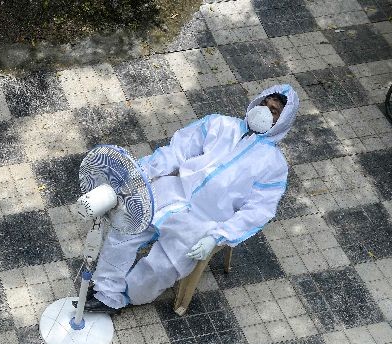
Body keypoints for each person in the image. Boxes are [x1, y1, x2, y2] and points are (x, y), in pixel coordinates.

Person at [83, 84, 299, 313]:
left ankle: (124, 297)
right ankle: (105, 288)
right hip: (173, 190)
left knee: (165, 264)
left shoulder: (273, 165)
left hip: (205, 220)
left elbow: (258, 211)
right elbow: (177, 151)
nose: (265, 111)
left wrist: (218, 236)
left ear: (282, 121)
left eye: (274, 111)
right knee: (126, 226)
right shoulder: (219, 124)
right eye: (264, 104)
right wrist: (143, 171)